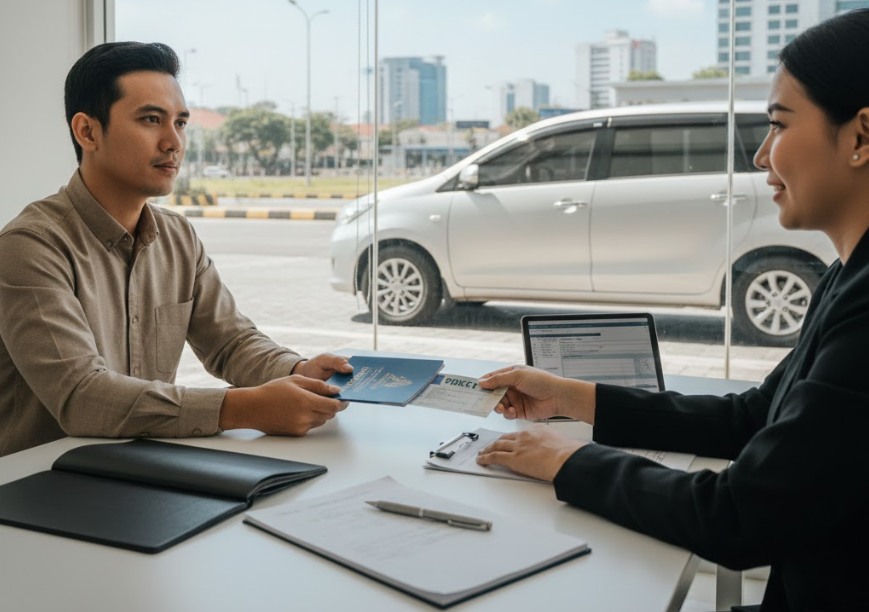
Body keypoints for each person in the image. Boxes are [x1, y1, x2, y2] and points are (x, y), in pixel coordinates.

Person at [476, 9, 869, 612]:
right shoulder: (848, 275)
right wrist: (571, 397)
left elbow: (741, 516)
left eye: (778, 125)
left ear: (861, 137)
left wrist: (570, 461)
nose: (761, 156)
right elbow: (754, 418)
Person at [0, 41, 352, 458]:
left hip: (144, 465)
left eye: (180, 122)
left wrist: (297, 369)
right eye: (151, 120)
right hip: (41, 480)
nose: (173, 142)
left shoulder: (177, 236)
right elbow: (81, 396)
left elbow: (230, 342)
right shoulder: (30, 247)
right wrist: (243, 408)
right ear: (87, 132)